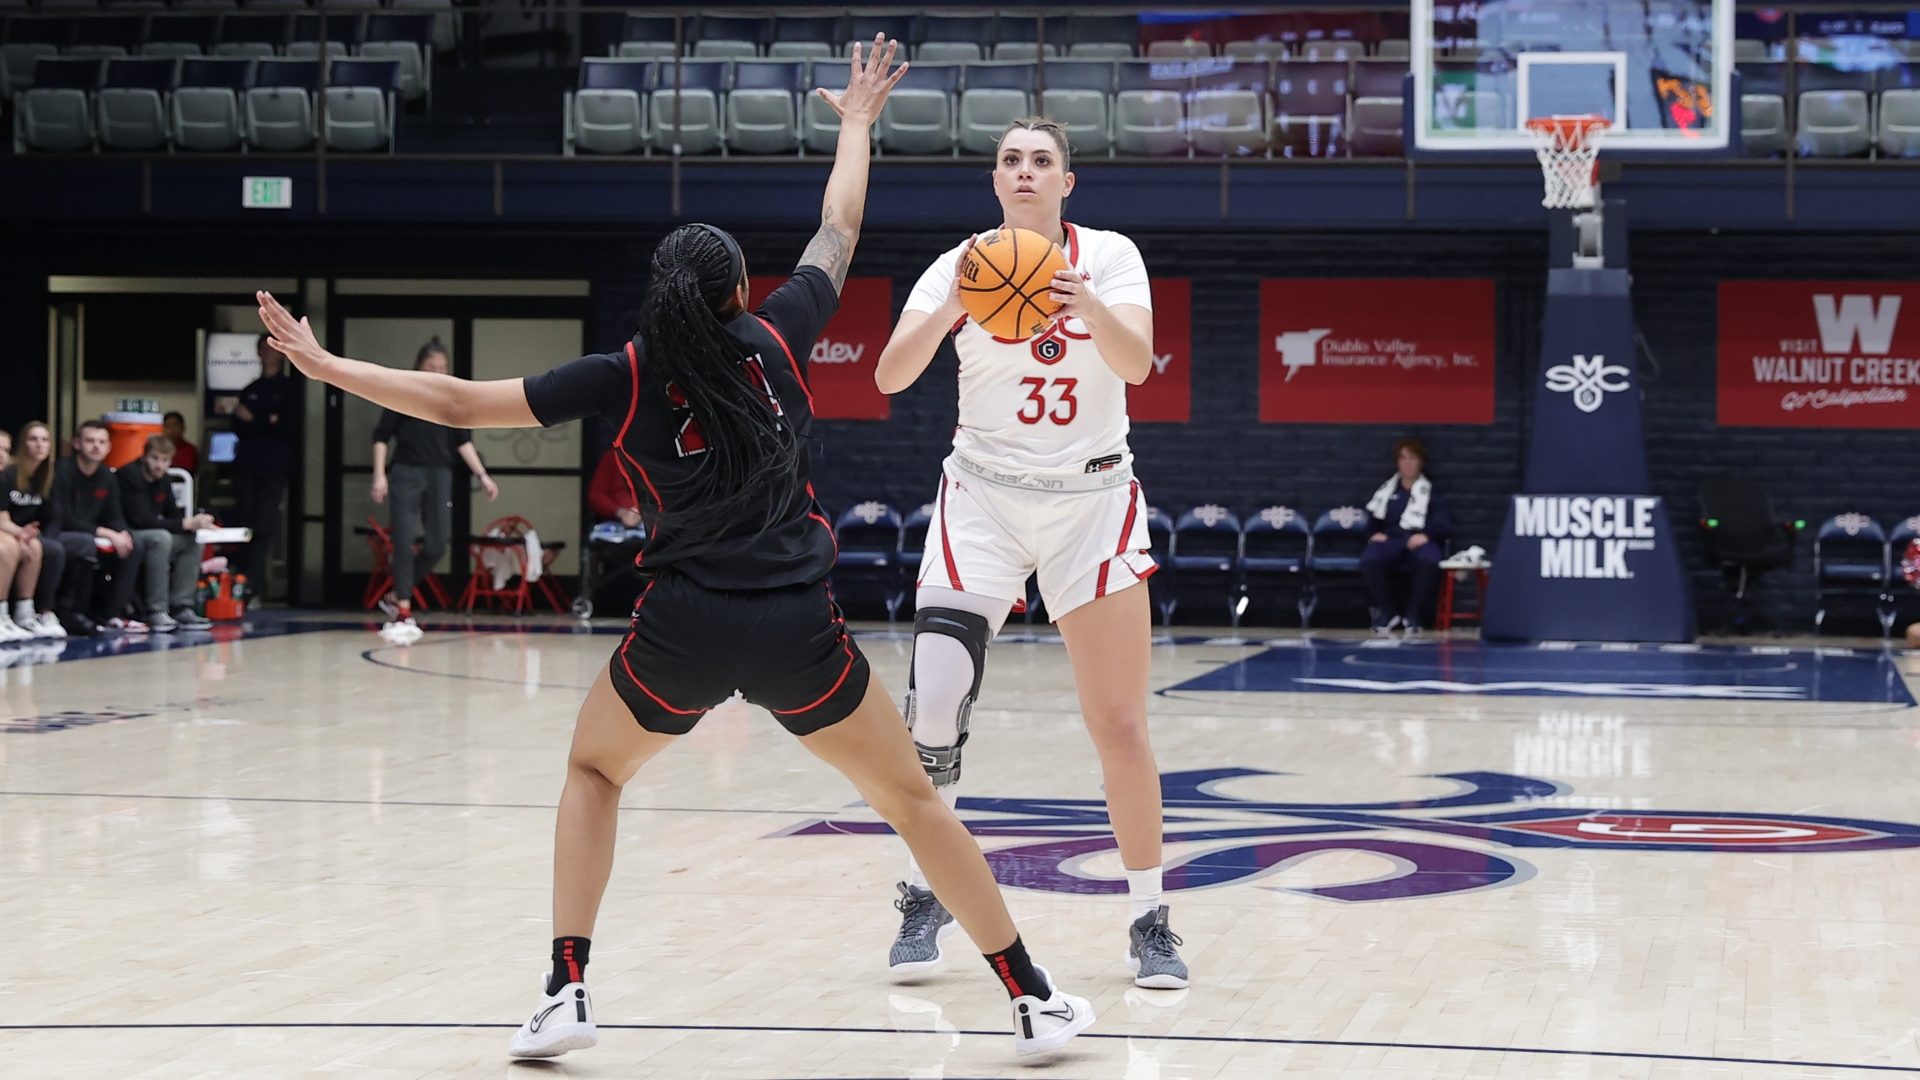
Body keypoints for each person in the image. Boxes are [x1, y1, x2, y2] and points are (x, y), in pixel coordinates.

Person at [255, 37, 1095, 1063]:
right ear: (741, 292)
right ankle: (1033, 999)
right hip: (797, 629)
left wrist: (324, 360)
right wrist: (856, 124)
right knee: (915, 801)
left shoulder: (623, 372)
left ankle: (565, 989)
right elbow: (839, 227)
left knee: (594, 774)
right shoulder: (782, 335)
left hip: (679, 630)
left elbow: (454, 400)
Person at [872, 117, 1188, 989]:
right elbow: (888, 377)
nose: (1024, 172)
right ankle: (922, 895)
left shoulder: (1113, 258)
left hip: (1092, 500)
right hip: (983, 496)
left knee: (1118, 723)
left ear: (1066, 182)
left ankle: (1149, 919)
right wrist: (951, 307)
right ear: (995, 178)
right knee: (934, 708)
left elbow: (1139, 364)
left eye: (1040, 161)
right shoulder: (959, 263)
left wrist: (1086, 304)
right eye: (1011, 160)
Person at [370, 338, 499, 644]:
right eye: (432, 368)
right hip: (406, 473)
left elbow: (463, 442)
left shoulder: (451, 401)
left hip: (440, 475)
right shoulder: (403, 393)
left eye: (443, 368)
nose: (439, 373)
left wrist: (483, 475)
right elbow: (381, 436)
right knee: (402, 541)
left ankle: (396, 595)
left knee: (437, 545)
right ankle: (403, 609)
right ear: (420, 368)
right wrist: (379, 474)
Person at [50, 419, 152, 635]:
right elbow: (64, 518)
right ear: (77, 444)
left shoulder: (107, 475)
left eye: (101, 442)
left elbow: (114, 516)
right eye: (90, 441)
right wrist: (105, 533)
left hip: (95, 536)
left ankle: (112, 613)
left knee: (135, 543)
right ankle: (75, 612)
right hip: (63, 533)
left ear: (108, 447)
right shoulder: (62, 471)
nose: (96, 446)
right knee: (85, 543)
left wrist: (121, 534)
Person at [117, 434, 217, 633]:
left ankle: (182, 606)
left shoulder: (164, 479)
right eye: (155, 458)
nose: (159, 465)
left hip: (151, 531)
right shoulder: (129, 475)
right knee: (161, 538)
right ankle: (156, 610)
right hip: (128, 531)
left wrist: (197, 522)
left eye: (165, 460)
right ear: (144, 456)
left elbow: (173, 514)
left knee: (192, 540)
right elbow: (140, 519)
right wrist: (185, 523)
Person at [1359, 436, 1453, 634]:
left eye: (1412, 458)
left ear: (1421, 462)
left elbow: (1442, 524)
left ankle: (1414, 612)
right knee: (1369, 558)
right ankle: (1387, 612)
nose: (1407, 463)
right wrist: (1374, 534)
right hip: (1392, 540)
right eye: (1403, 458)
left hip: (1420, 539)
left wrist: (1426, 536)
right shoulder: (1387, 491)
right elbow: (1373, 522)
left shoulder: (1431, 493)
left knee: (1429, 559)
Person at [230, 337, 302, 598]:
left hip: (274, 466)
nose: (267, 353)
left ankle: (253, 587)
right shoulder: (250, 388)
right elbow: (238, 425)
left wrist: (257, 419)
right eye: (263, 348)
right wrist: (267, 420)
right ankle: (238, 581)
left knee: (264, 526)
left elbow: (286, 427)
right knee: (244, 522)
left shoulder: (289, 389)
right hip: (247, 464)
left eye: (272, 349)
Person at [1, 422, 65, 640]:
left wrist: (29, 535)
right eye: (33, 439)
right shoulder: (8, 475)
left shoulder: (48, 476)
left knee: (42, 547)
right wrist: (20, 533)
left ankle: (26, 613)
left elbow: (54, 516)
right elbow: (3, 518)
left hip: (22, 531)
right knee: (9, 547)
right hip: (10, 531)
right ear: (23, 444)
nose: (39, 445)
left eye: (44, 440)